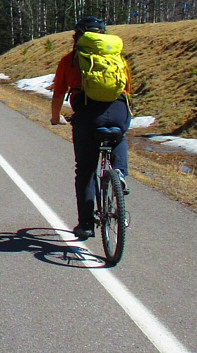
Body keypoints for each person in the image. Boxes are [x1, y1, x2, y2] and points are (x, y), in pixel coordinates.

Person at [49, 16, 132, 240]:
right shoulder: (117, 58)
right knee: (119, 136)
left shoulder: (70, 60)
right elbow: (127, 89)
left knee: (85, 171)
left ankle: (86, 225)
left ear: (77, 37)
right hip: (118, 112)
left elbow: (58, 94)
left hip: (87, 117)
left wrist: (56, 119)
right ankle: (120, 175)